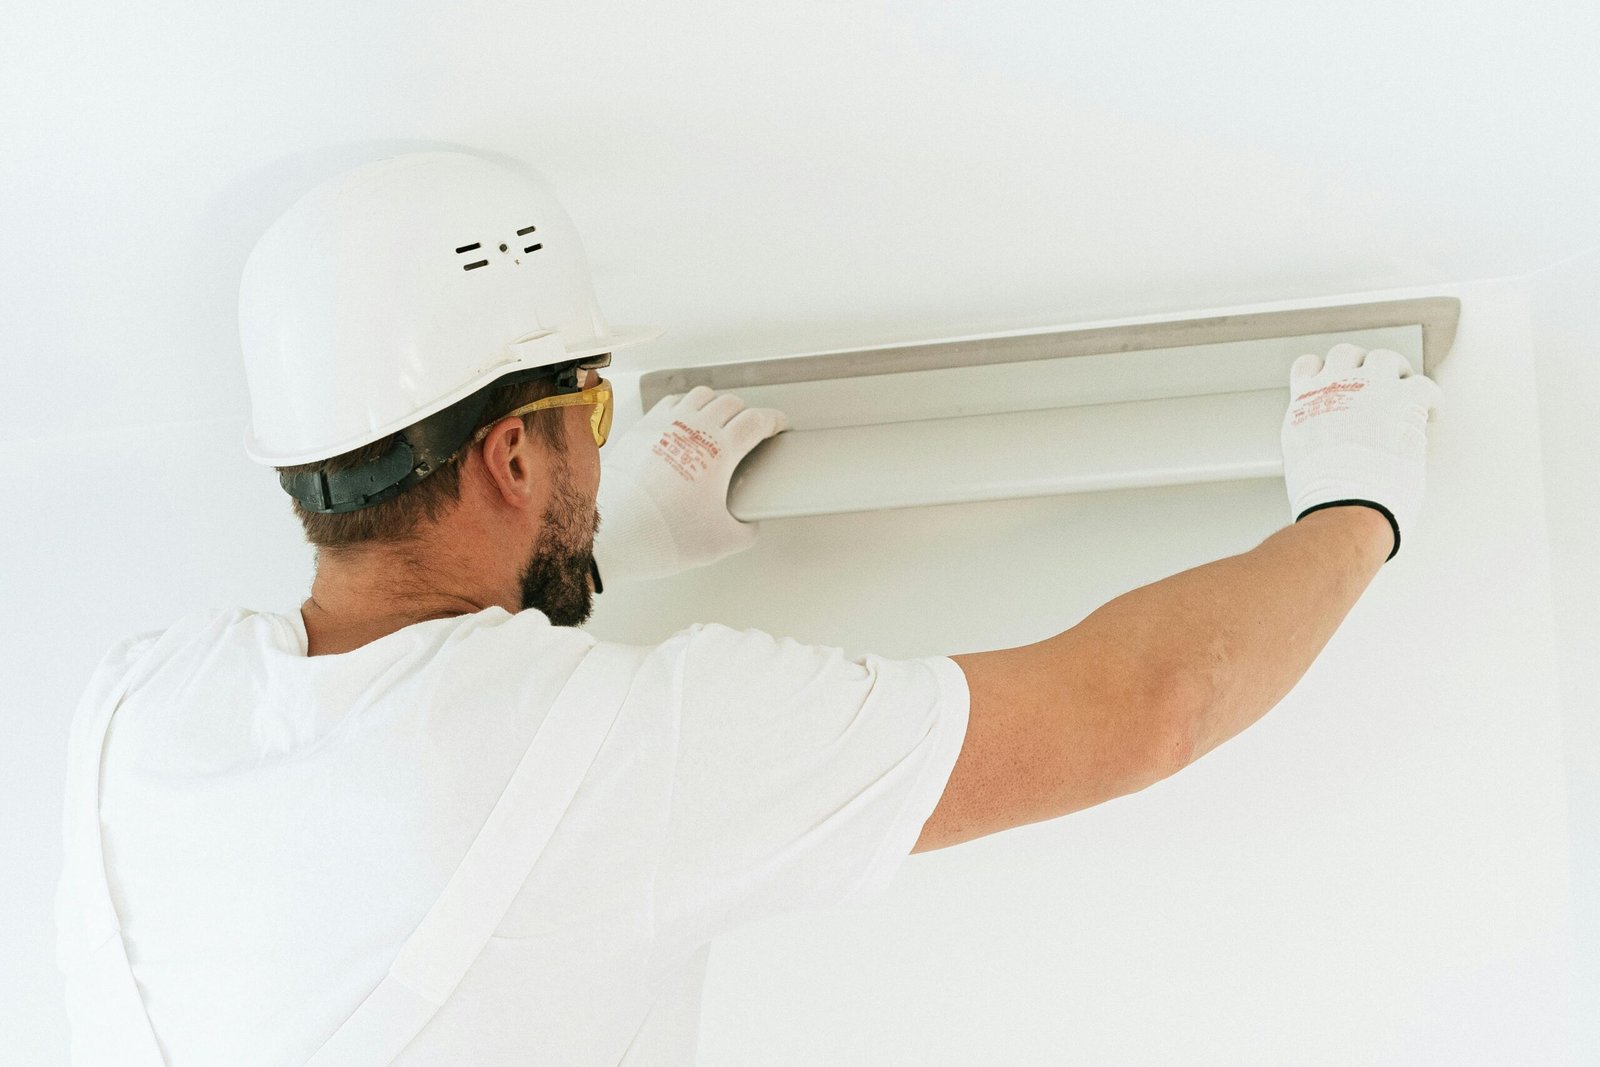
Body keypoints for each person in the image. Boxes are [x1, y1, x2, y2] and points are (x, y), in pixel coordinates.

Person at [54, 151, 1442, 1064]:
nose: (606, 442)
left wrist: (615, 548)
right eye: (587, 408)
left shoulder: (132, 716)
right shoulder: (653, 747)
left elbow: (425, 771)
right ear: (514, 455)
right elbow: (1147, 707)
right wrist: (1354, 512)